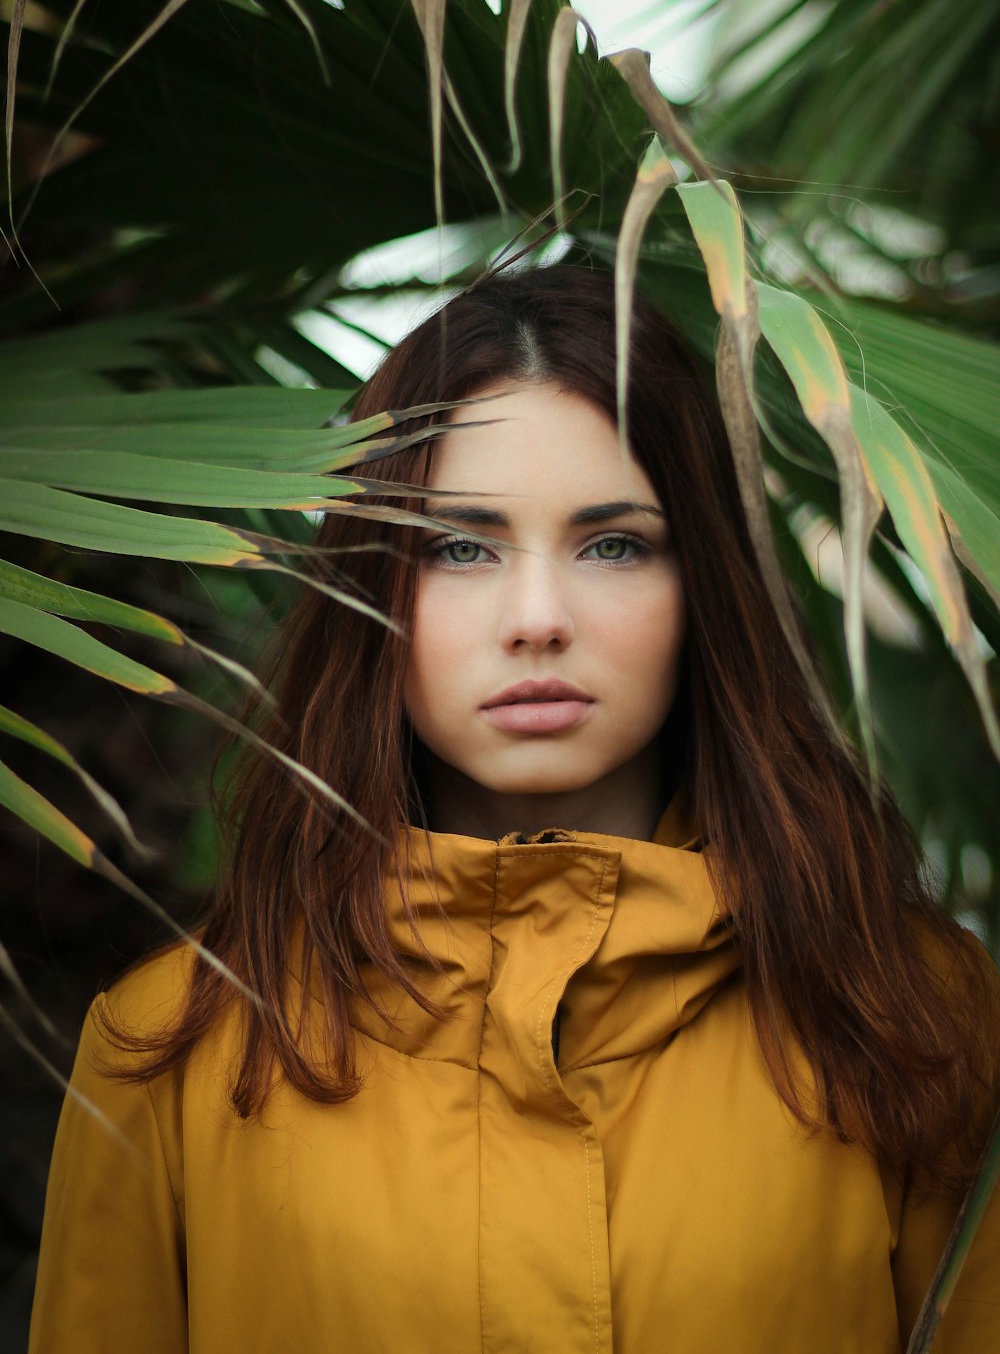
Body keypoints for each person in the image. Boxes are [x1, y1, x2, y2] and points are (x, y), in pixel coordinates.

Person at [29, 264, 1000, 1353]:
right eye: (459, 547)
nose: (536, 618)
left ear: (706, 589)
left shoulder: (914, 1022)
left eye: (612, 543)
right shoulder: (170, 1049)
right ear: (369, 589)